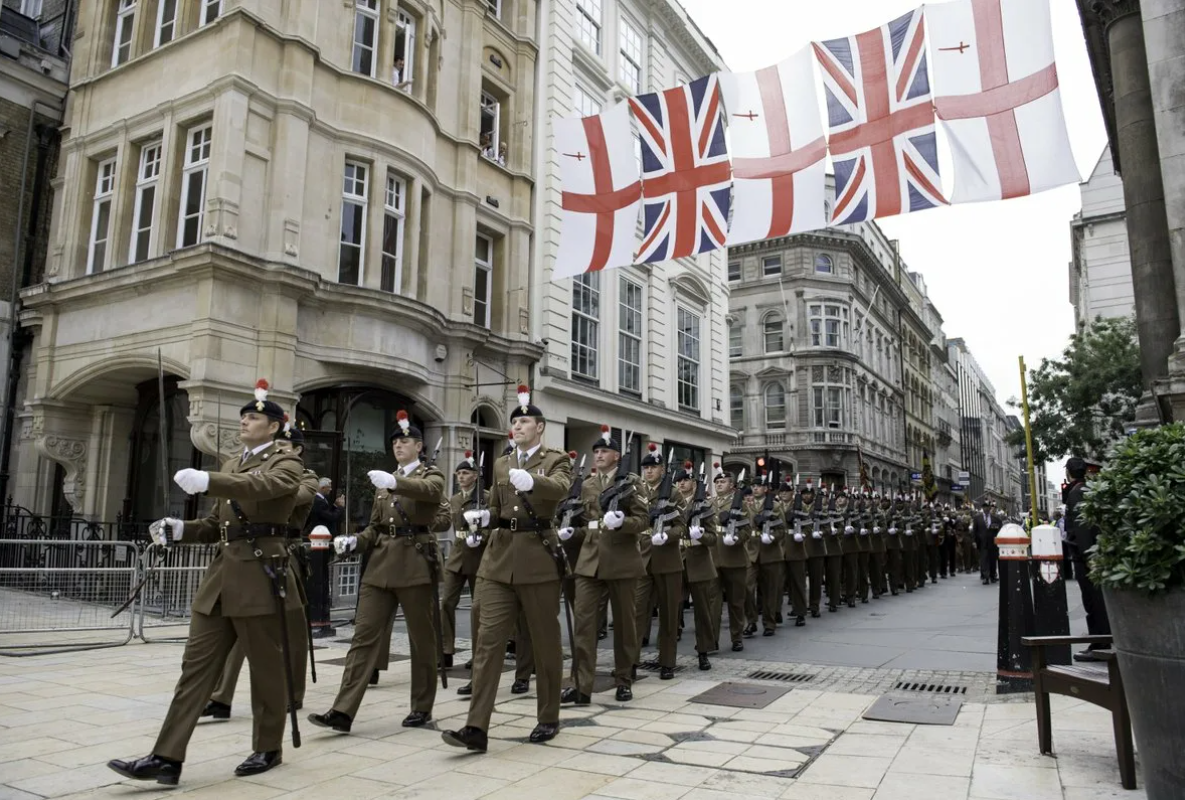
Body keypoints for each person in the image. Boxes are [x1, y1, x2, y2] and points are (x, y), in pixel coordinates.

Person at [108, 379, 303, 785]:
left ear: (273, 426)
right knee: (194, 671)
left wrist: (210, 481)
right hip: (221, 580)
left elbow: (264, 488)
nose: (245, 423)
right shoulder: (232, 464)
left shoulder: (286, 464)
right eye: (244, 417)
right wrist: (180, 529)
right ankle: (166, 756)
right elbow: (217, 525)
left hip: (261, 577)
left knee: (266, 670)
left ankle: (268, 747)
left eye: (253, 418)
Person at [440, 386, 572, 753]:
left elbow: (560, 489)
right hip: (498, 561)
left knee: (545, 643)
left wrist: (535, 482)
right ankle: (476, 726)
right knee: (488, 643)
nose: (517, 426)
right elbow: (500, 507)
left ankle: (548, 716)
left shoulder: (556, 459)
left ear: (540, 427)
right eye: (514, 421)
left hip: (538, 559)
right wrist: (486, 516)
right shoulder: (501, 461)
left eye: (524, 421)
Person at [308, 410, 446, 733]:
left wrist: (396, 481)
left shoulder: (431, 475)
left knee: (421, 640)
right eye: (395, 441)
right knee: (363, 638)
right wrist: (353, 541)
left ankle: (422, 706)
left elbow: (431, 494)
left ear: (419, 446)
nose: (399, 445)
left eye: (405, 440)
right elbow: (375, 527)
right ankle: (342, 710)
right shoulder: (382, 484)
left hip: (415, 564)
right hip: (381, 564)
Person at [201, 420, 317, 720]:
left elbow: (294, 496)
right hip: (247, 555)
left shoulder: (305, 476)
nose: (276, 452)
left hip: (283, 555)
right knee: (239, 631)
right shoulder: (249, 470)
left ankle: (293, 693)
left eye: (283, 447)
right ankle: (221, 696)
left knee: (291, 631)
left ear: (297, 450)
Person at [561, 428, 647, 703]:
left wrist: (623, 523)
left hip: (622, 561)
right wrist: (570, 533)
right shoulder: (586, 485)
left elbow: (643, 521)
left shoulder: (632, 484)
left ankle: (624, 679)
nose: (598, 455)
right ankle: (581, 684)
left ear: (617, 456)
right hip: (589, 561)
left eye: (604, 452)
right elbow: (586, 524)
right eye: (596, 452)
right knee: (584, 624)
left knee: (624, 624)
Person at [1063, 458, 1111, 662]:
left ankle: (1100, 643)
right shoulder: (1088, 489)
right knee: (1096, 599)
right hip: (1092, 553)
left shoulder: (1075, 493)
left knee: (1092, 600)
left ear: (1069, 473)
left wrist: (1087, 556)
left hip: (1085, 557)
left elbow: (1081, 529)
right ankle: (1100, 639)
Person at [676, 462, 718, 670]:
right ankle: (668, 649)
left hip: (699, 561)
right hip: (676, 559)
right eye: (679, 481)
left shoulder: (704, 504)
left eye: (685, 480)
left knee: (701, 610)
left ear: (693, 483)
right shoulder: (672, 503)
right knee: (673, 606)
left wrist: (702, 535)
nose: (681, 484)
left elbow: (713, 537)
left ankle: (703, 650)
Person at [712, 467, 751, 650]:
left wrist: (736, 539)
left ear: (732, 485)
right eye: (717, 482)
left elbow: (747, 530)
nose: (719, 484)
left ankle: (737, 637)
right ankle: (711, 639)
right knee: (713, 603)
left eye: (723, 482)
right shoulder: (709, 503)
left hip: (735, 559)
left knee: (736, 602)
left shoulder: (740, 504)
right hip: (713, 559)